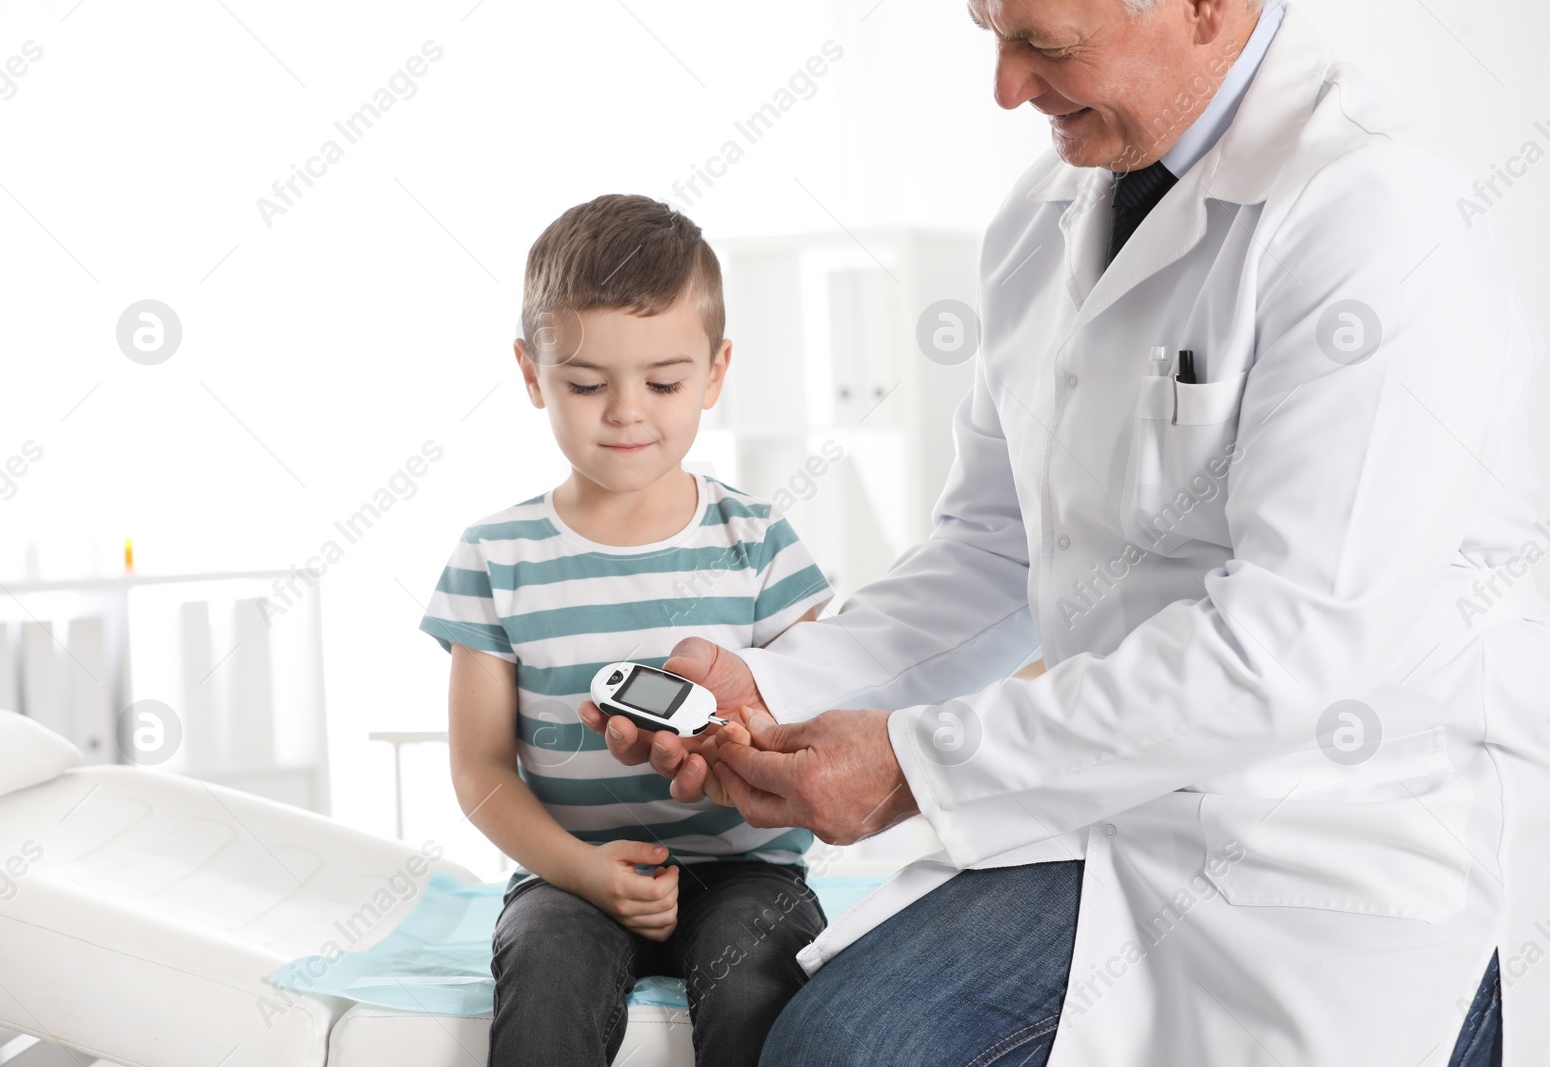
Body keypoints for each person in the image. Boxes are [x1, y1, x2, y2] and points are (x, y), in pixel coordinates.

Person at [582, 1, 1550, 1065]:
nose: (1004, 87)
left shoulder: (1373, 216)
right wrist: (776, 686)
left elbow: (1291, 643)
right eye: (988, 30)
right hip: (1113, 801)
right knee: (836, 1042)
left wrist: (914, 766)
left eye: (1044, 44)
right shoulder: (1044, 215)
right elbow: (995, 549)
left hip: (1341, 838)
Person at [420, 193, 831, 1067]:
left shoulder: (759, 541)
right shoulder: (495, 556)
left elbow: (820, 715)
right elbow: (479, 767)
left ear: (716, 373)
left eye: (664, 381)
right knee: (545, 968)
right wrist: (577, 870)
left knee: (764, 970)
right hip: (568, 875)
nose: (626, 412)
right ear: (533, 374)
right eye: (586, 383)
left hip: (749, 871)